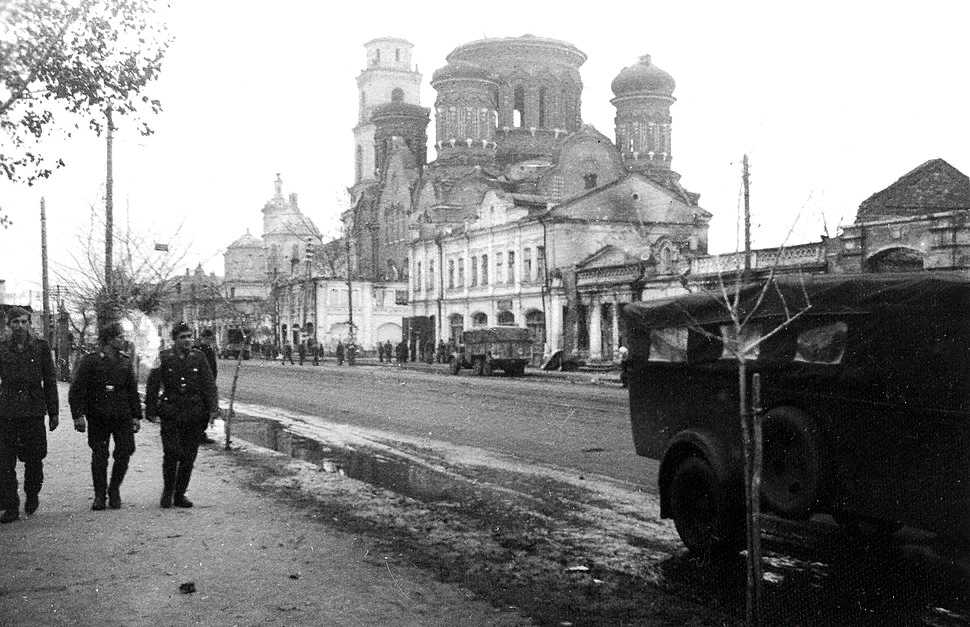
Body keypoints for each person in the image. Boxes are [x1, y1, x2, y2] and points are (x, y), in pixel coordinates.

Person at [68, 321, 142, 510]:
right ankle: (99, 495)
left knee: (125, 451)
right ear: (109, 340)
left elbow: (132, 391)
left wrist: (136, 416)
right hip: (98, 415)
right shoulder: (91, 361)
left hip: (122, 415)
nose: (122, 340)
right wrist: (78, 415)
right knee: (100, 455)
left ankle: (114, 489)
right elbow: (77, 389)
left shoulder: (125, 361)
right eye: (119, 337)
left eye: (123, 336)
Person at [145, 322, 218, 509]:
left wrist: (213, 410)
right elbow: (152, 385)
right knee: (171, 453)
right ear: (174, 340)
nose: (187, 340)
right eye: (182, 337)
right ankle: (168, 491)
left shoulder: (199, 358)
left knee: (188, 456)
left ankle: (180, 494)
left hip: (194, 414)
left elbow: (209, 385)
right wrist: (150, 410)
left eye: (189, 336)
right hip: (171, 413)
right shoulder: (163, 358)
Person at [0, 307, 59, 523]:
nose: (20, 326)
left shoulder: (41, 347)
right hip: (7, 409)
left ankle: (32, 493)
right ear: (9, 325)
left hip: (33, 409)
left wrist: (53, 413)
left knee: (35, 458)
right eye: (15, 322)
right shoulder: (2, 348)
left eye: (24, 321)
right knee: (4, 461)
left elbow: (50, 381)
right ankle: (11, 505)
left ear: (29, 323)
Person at [194, 329, 219, 444]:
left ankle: (201, 433)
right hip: (200, 384)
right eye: (207, 338)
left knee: (206, 410)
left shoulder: (208, 349)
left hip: (208, 382)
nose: (209, 341)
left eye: (210, 339)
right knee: (201, 410)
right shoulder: (198, 349)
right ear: (203, 338)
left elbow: (213, 366)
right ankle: (198, 433)